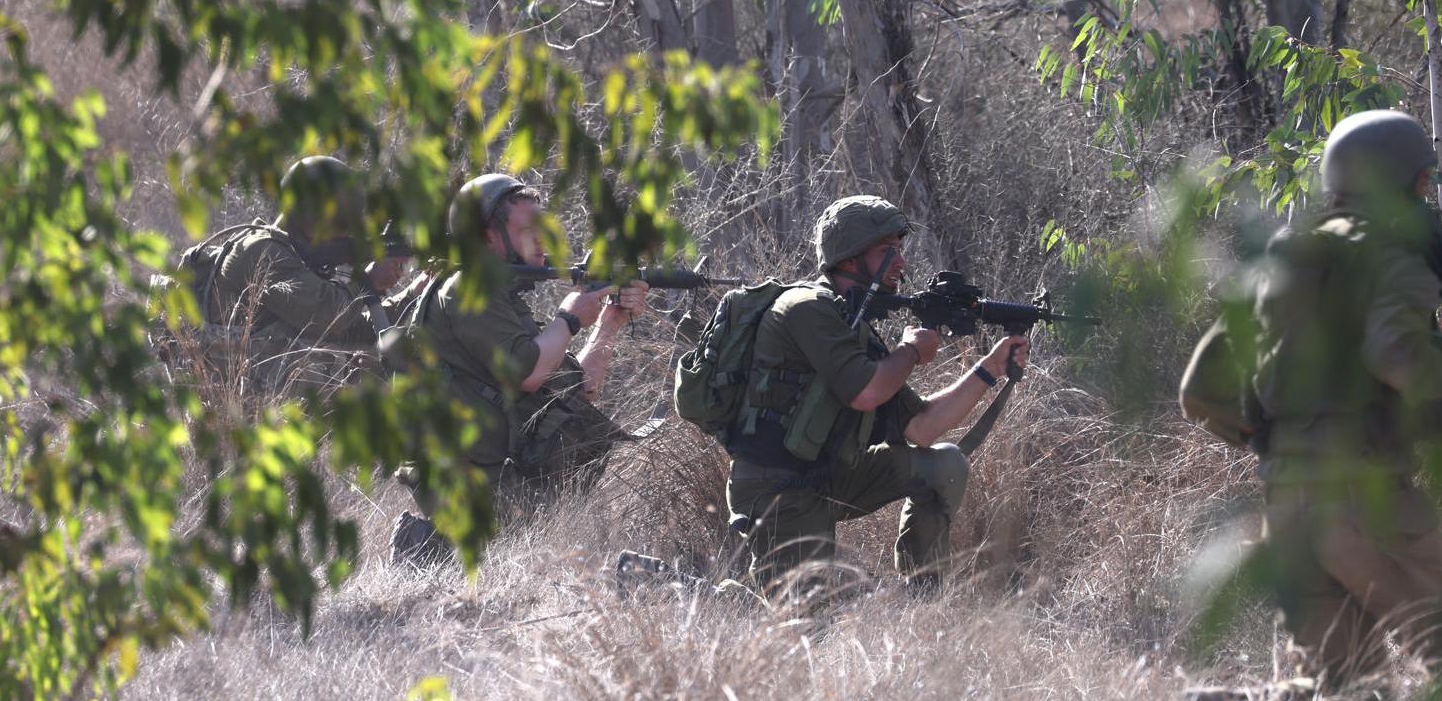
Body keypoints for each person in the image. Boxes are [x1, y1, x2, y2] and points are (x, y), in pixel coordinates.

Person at [1181, 109, 1442, 691]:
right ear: (1404, 184)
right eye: (1423, 182)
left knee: (1346, 684)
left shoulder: (1286, 260)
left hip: (1287, 510)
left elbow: (1198, 392)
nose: (1426, 193)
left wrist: (1288, 451)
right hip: (1366, 506)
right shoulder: (1392, 257)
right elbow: (1392, 355)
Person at [723, 195, 1029, 593]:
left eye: (899, 250)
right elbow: (867, 393)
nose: (900, 264)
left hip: (827, 477)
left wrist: (990, 367)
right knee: (805, 624)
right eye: (888, 251)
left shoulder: (854, 327)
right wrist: (913, 352)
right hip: (777, 490)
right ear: (850, 260)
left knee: (944, 466)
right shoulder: (805, 308)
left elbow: (921, 428)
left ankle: (922, 591)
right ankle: (695, 589)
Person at [390, 173, 649, 565]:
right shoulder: (466, 290)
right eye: (529, 229)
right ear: (487, 236)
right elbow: (526, 373)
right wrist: (568, 318)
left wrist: (608, 323)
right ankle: (427, 551)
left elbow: (577, 390)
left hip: (495, 471)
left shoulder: (500, 297)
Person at [183, 155, 408, 389]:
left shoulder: (286, 253)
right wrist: (366, 281)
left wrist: (414, 292)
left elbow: (350, 330)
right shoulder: (263, 252)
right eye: (339, 225)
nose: (344, 235)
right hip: (246, 403)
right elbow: (329, 317)